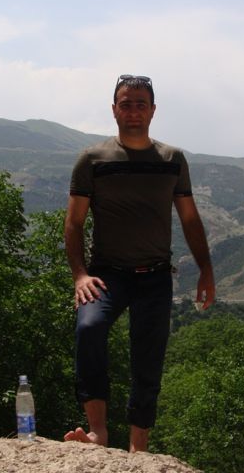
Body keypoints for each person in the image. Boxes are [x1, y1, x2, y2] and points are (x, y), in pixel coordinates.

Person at [63, 74, 215, 452]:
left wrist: (206, 270)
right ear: (114, 110)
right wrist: (80, 275)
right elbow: (74, 222)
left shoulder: (172, 160)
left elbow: (190, 218)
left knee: (148, 358)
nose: (133, 111)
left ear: (153, 111)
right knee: (89, 328)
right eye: (126, 104)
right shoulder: (92, 160)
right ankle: (97, 432)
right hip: (106, 275)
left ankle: (138, 447)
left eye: (140, 104)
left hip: (155, 276)